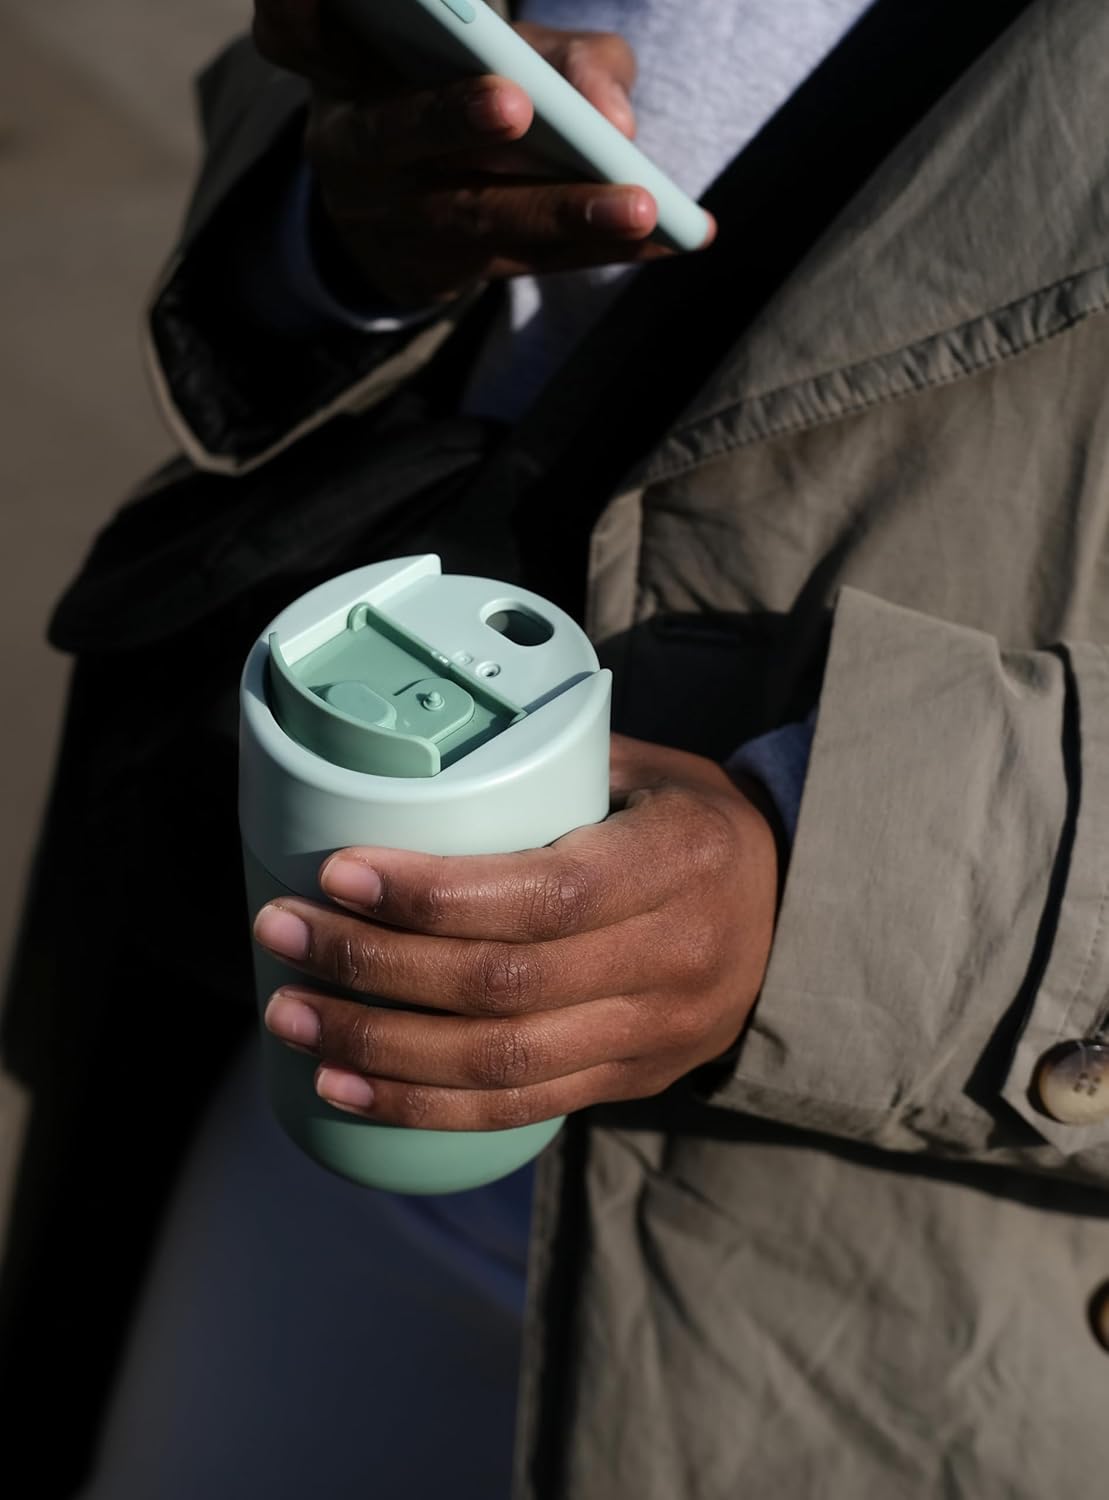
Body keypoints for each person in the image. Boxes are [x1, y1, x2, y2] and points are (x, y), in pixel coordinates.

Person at [3, 1, 1109, 1497]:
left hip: (879, 1304)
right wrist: (340, 233)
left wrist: (846, 884)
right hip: (306, 1102)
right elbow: (312, 88)